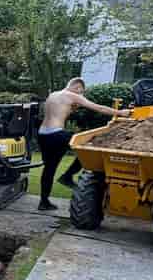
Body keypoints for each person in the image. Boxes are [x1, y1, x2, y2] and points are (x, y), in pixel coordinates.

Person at [37, 78, 130, 211]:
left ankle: (44, 202)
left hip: (43, 134)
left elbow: (56, 112)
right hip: (57, 133)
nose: (81, 95)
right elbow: (98, 108)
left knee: (49, 168)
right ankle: (67, 176)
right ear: (77, 87)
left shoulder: (53, 95)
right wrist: (120, 113)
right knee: (87, 148)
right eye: (81, 92)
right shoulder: (72, 95)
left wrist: (72, 108)